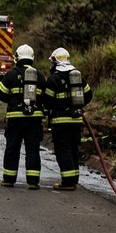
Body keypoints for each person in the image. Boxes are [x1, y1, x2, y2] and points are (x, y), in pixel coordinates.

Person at [43, 47, 93, 191]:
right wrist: (77, 106)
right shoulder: (77, 77)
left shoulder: (54, 79)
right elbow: (89, 95)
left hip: (61, 122)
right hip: (76, 121)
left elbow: (47, 100)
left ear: (55, 61)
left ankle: (67, 182)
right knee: (73, 150)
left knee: (63, 150)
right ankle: (74, 179)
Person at [0, 44, 46, 190]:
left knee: (12, 148)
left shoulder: (11, 74)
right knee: (33, 149)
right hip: (35, 120)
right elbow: (45, 96)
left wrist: (13, 101)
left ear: (17, 58)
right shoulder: (40, 76)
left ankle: (9, 179)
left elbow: (1, 94)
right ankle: (33, 182)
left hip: (15, 119)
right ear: (32, 58)